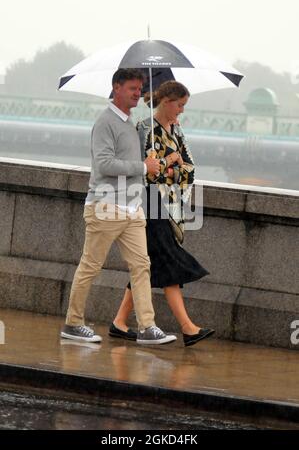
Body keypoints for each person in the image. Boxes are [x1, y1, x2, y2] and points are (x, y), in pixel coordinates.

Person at [61, 69, 177, 345]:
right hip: (105, 206)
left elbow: (136, 167)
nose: (138, 93)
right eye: (133, 89)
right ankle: (73, 323)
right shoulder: (105, 122)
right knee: (91, 265)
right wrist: (141, 165)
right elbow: (104, 164)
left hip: (131, 208)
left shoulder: (131, 123)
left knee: (141, 266)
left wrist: (152, 162)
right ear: (116, 88)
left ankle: (147, 326)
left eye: (140, 88)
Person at [110, 80, 215, 347]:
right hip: (148, 202)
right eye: (179, 105)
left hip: (170, 206)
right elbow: (144, 170)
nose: (181, 111)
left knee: (150, 262)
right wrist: (170, 163)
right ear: (166, 101)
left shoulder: (177, 131)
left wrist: (169, 168)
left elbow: (189, 169)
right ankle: (188, 328)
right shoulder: (145, 129)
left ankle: (119, 322)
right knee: (167, 259)